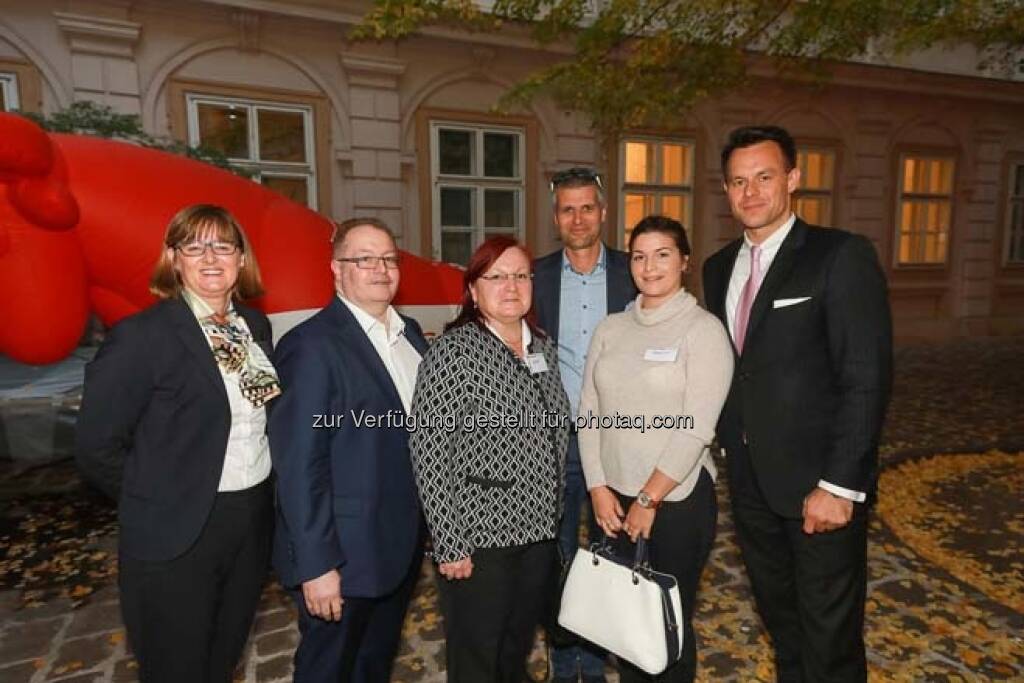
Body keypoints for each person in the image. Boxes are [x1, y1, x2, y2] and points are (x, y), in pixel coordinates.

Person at [702, 125, 893, 682]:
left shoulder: (839, 256)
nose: (751, 192)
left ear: (792, 179)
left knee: (829, 638)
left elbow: (866, 376)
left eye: (764, 177)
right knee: (782, 626)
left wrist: (839, 485)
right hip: (751, 485)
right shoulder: (717, 269)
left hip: (819, 487)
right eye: (738, 181)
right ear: (726, 189)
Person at [75, 204, 279, 683]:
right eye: (194, 246)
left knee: (221, 660)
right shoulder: (142, 337)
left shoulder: (256, 329)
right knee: (177, 669)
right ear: (174, 258)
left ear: (241, 259)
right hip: (176, 535)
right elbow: (96, 446)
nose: (210, 257)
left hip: (249, 521)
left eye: (223, 246)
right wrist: (157, 501)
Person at [268, 218, 428, 683]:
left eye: (388, 258)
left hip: (397, 545)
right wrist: (317, 564)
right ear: (337, 269)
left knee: (372, 666)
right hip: (343, 554)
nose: (380, 268)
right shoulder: (311, 346)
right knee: (328, 670)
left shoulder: (410, 335)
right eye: (364, 259)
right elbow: (299, 466)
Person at [578, 215, 733, 683]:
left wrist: (648, 499)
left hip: (675, 502)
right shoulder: (610, 328)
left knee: (666, 626)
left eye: (662, 254)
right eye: (640, 256)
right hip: (612, 502)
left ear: (684, 261)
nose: (650, 266)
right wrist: (598, 488)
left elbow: (696, 427)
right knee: (625, 625)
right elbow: (588, 413)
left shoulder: (702, 331)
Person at [409, 236, 571, 683]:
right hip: (480, 540)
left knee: (515, 649)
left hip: (539, 533)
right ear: (474, 289)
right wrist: (449, 541)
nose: (511, 286)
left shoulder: (542, 347)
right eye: (496, 276)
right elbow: (429, 453)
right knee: (477, 657)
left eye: (520, 275)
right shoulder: (452, 353)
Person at [533, 166, 637, 683]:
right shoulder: (531, 277)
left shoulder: (633, 272)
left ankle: (595, 658)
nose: (578, 218)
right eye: (567, 209)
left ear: (603, 212)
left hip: (615, 441)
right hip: (549, 442)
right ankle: (563, 649)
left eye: (587, 207)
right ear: (556, 217)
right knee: (556, 551)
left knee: (609, 552)